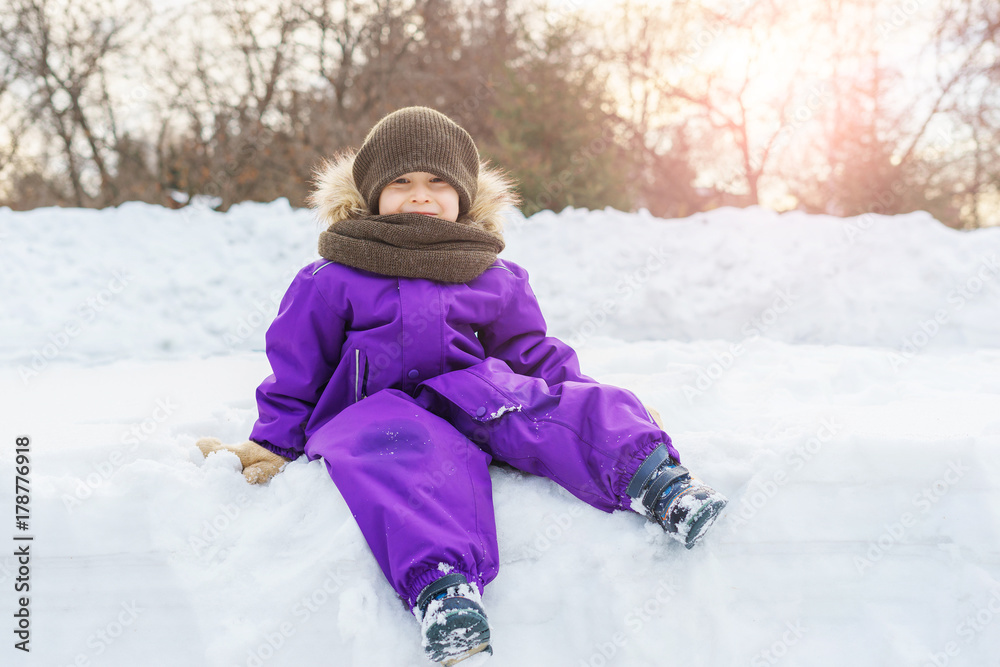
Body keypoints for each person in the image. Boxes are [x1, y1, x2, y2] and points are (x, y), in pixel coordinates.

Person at [197, 106, 727, 666]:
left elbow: (530, 354)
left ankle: (659, 482)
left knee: (528, 404)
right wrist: (273, 442)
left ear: (463, 195)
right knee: (402, 454)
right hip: (371, 418)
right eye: (401, 182)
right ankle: (445, 590)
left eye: (437, 182)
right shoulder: (334, 276)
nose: (420, 195)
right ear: (373, 192)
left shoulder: (490, 274)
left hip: (469, 400)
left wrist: (577, 393)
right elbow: (297, 369)